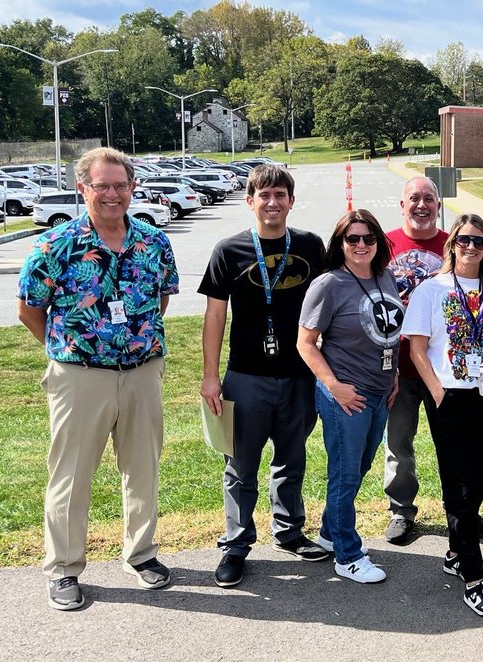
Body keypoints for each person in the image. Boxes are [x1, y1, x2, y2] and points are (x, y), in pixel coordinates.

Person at [17, 147, 179, 610]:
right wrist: (71, 350)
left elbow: (160, 301)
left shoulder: (154, 241)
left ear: (132, 188)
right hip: (80, 374)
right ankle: (64, 567)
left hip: (143, 371)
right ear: (82, 188)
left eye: (120, 185)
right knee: (70, 473)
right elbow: (30, 311)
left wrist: (131, 341)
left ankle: (141, 553)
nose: (112, 194)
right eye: (102, 185)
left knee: (143, 467)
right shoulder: (56, 245)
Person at [200, 165, 329, 588]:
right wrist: (210, 376)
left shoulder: (311, 246)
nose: (272, 202)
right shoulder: (228, 250)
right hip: (246, 376)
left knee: (292, 459)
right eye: (264, 195)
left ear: (291, 201)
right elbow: (215, 315)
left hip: (299, 375)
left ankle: (289, 533)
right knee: (240, 465)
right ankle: (236, 546)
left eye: (280, 194)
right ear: (249, 200)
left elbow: (332, 303)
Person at [403, 214, 483, 618]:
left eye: (480, 241)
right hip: (451, 396)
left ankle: (456, 550)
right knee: (460, 483)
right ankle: (474, 576)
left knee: (481, 476)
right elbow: (417, 348)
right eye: (465, 240)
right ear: (452, 243)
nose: (472, 247)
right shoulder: (430, 290)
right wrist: (437, 390)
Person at [297, 210, 402, 585]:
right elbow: (305, 344)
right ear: (340, 243)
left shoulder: (384, 277)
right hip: (346, 394)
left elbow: (390, 333)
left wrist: (396, 374)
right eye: (352, 239)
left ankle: (329, 534)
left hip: (379, 392)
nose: (361, 245)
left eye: (368, 238)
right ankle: (348, 554)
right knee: (344, 474)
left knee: (357, 469)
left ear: (379, 243)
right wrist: (334, 386)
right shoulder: (329, 284)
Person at [381, 176, 455, 545]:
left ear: (438, 206)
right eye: (414, 198)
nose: (421, 205)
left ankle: (460, 510)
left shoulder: (454, 246)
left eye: (429, 198)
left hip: (443, 366)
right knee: (398, 441)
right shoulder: (384, 245)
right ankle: (401, 510)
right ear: (402, 204)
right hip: (397, 365)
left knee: (454, 443)